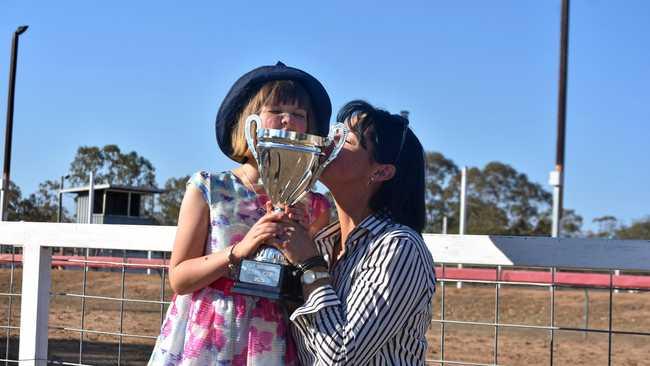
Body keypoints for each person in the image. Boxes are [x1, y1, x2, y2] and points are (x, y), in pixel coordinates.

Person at [148, 62, 332, 365]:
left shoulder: (316, 206)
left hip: (274, 338)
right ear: (251, 123)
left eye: (299, 115)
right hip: (209, 336)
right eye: (277, 110)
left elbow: (308, 286)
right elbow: (180, 279)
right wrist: (238, 252)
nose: (288, 120)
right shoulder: (209, 188)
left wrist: (298, 244)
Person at [270, 100, 437, 365]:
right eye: (333, 134)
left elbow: (340, 357)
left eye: (346, 141)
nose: (328, 144)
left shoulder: (399, 247)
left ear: (381, 171)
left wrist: (310, 265)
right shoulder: (324, 242)